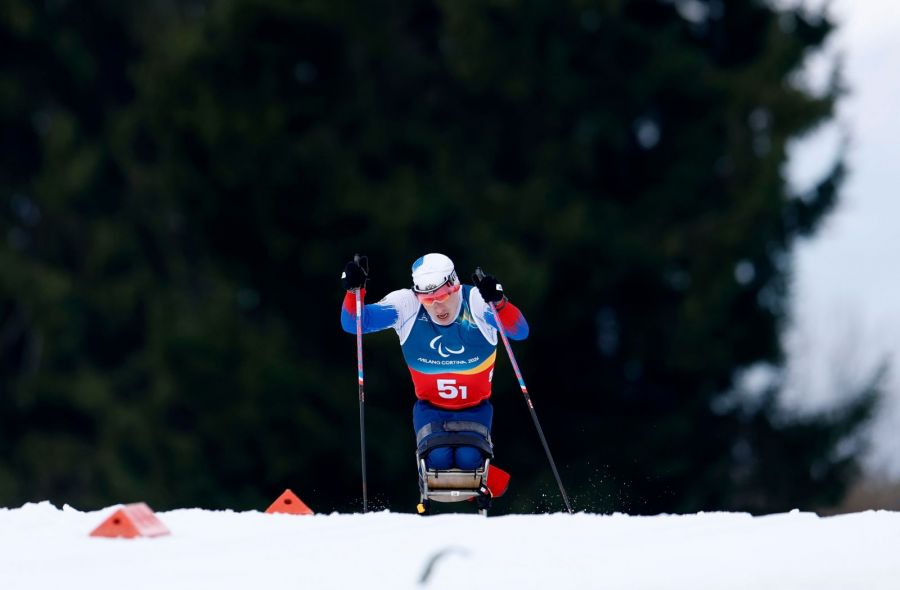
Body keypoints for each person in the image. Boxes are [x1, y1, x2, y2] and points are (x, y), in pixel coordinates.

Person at [340, 253, 529, 470]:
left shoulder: (476, 301)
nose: (438, 307)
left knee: (469, 460)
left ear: (455, 286)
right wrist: (354, 291)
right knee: (437, 460)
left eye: (442, 296)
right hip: (430, 408)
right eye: (428, 299)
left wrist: (499, 302)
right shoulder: (406, 305)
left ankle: (483, 489)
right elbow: (354, 324)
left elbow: (520, 332)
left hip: (475, 407)